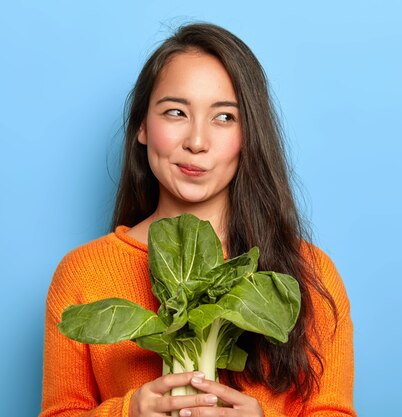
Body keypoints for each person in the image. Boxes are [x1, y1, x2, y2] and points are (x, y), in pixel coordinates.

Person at [40, 23, 355, 417]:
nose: (197, 141)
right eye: (175, 112)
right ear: (142, 126)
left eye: (224, 117)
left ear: (249, 135)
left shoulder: (312, 274)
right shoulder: (82, 274)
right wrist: (126, 413)